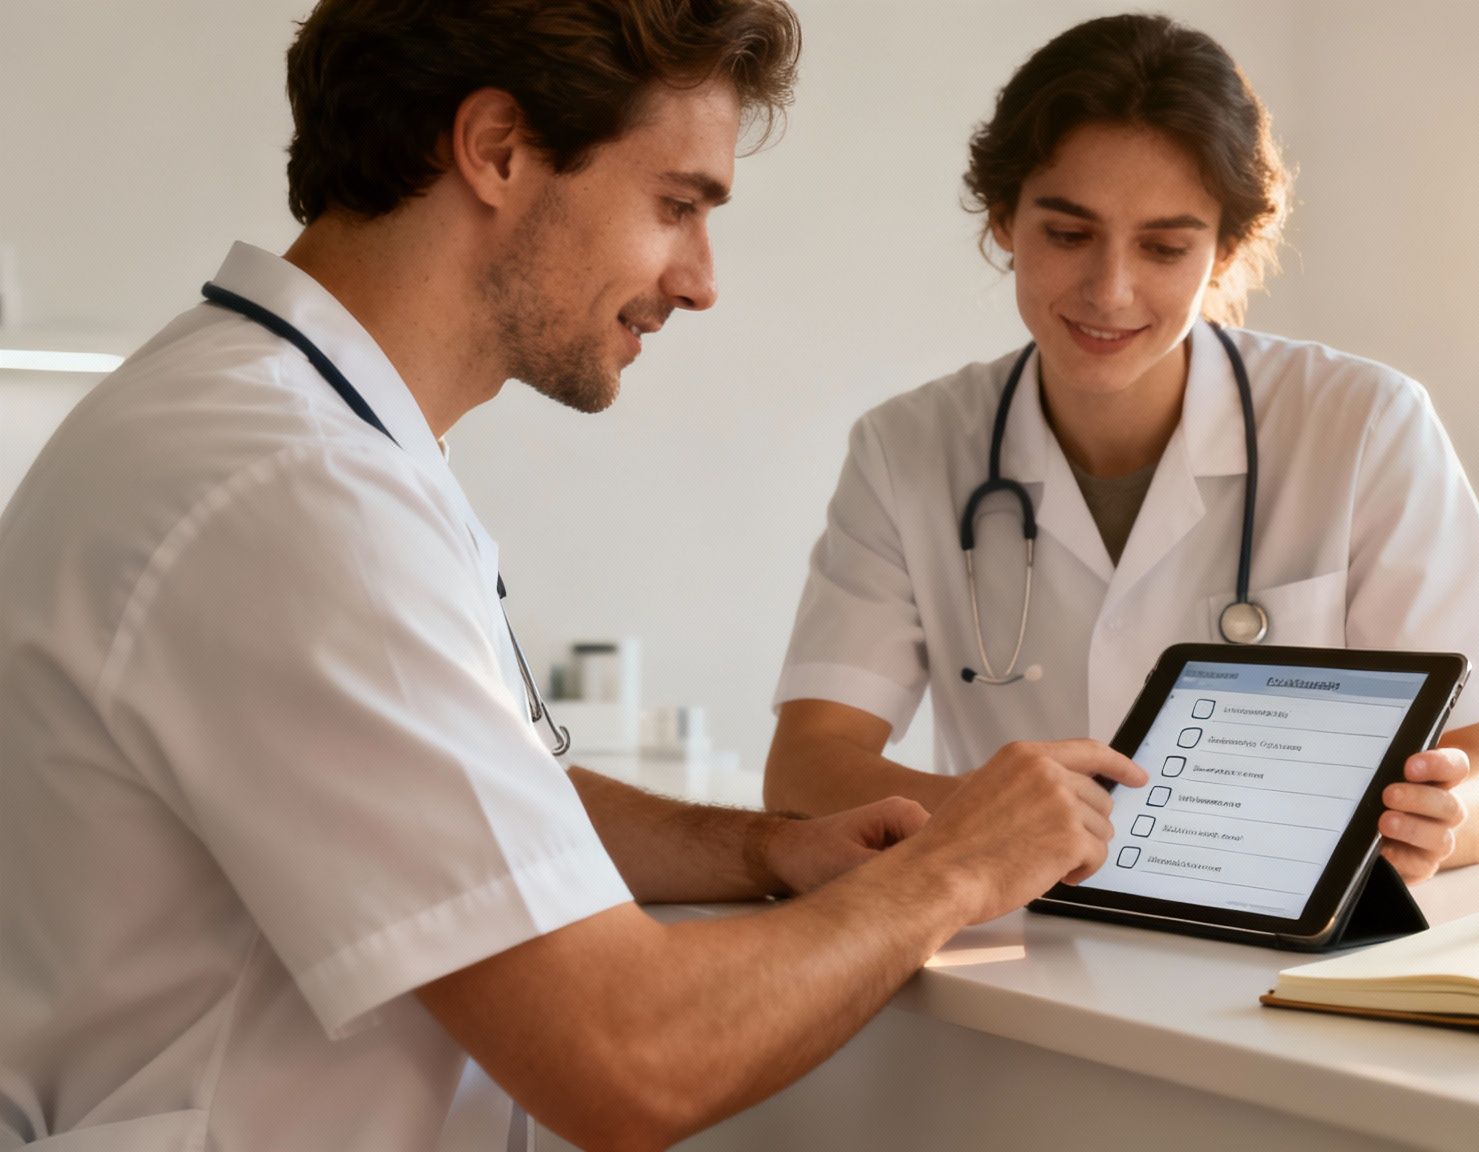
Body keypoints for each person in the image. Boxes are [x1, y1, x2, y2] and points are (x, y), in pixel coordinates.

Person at [0, 3, 1144, 1148]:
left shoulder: (275, 426)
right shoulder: (291, 490)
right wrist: (951, 870)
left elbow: (476, 805)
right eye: (677, 205)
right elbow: (625, 1060)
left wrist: (758, 849)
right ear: (496, 149)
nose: (698, 281)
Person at [766, 14, 1479, 884]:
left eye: (1165, 247)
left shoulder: (1365, 424)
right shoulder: (906, 447)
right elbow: (807, 769)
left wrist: (1442, 823)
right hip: (1015, 950)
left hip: (1272, 964)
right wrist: (1009, 818)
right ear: (1003, 218)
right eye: (1068, 234)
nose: (1110, 290)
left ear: (1226, 250)